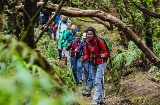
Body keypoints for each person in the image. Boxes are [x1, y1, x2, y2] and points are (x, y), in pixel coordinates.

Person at [80, 27, 109, 105]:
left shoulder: (99, 41)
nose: (89, 35)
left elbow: (106, 52)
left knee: (97, 81)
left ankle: (95, 100)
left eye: (91, 34)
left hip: (101, 63)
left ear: (94, 34)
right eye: (88, 34)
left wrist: (103, 55)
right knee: (98, 82)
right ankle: (101, 99)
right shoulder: (87, 42)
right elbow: (87, 54)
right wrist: (84, 58)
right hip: (93, 63)